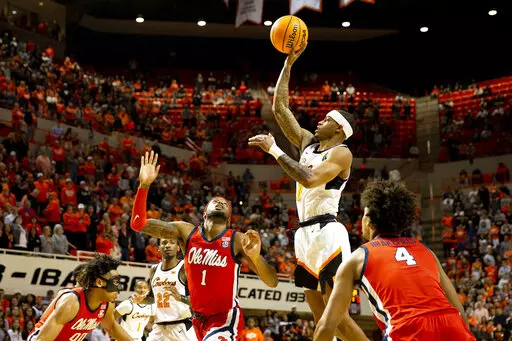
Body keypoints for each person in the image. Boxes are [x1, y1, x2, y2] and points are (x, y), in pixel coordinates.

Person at [248, 42, 354, 336]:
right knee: (320, 316)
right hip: (303, 233)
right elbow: (280, 108)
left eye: (327, 119)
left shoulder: (342, 153)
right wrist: (288, 65)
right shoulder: (308, 143)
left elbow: (309, 179)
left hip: (328, 231)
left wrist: (275, 151)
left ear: (339, 129)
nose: (320, 121)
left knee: (338, 316)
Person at [131, 151, 278, 341]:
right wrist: (144, 185)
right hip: (197, 319)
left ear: (229, 218)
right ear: (204, 214)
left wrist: (256, 257)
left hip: (225, 317)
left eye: (224, 203)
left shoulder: (236, 239)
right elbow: (138, 224)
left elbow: (272, 282)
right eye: (215, 201)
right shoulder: (186, 233)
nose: (219, 201)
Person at [314, 181, 475, 341]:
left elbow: (326, 326)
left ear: (369, 221)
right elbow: (457, 307)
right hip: (454, 327)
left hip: (409, 329)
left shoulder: (357, 259)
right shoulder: (427, 251)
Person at [28, 254, 134, 341]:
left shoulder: (107, 304)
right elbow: (42, 339)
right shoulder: (72, 301)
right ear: (99, 282)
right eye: (115, 282)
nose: (119, 288)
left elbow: (111, 327)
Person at [145, 237, 196, 341]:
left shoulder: (184, 267)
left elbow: (197, 302)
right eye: (164, 243)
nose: (167, 245)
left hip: (180, 326)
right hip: (159, 328)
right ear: (159, 248)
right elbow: (151, 298)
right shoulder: (154, 269)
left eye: (172, 242)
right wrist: (139, 300)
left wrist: (181, 298)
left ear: (178, 247)